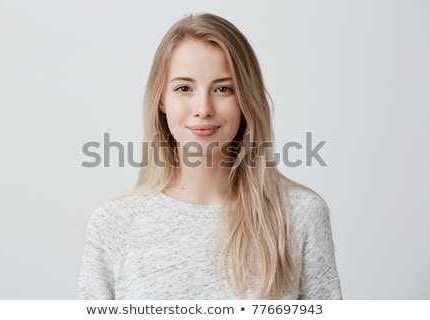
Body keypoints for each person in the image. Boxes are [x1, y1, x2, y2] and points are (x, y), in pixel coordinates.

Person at [77, 13, 342, 300]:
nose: (203, 108)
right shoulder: (113, 224)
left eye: (223, 89)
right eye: (184, 88)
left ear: (246, 100)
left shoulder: (300, 215)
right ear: (161, 100)